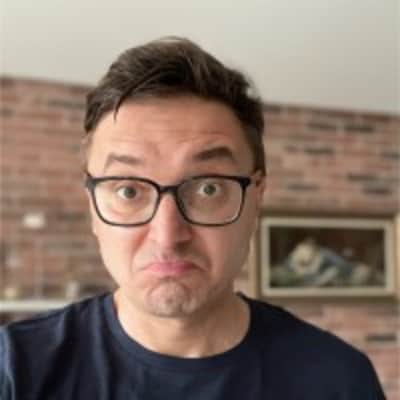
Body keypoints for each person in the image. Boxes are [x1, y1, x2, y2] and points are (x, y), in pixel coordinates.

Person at [0, 37, 386, 399]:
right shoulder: (15, 371)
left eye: (208, 189)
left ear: (256, 197)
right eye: (128, 191)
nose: (167, 235)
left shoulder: (338, 379)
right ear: (93, 209)